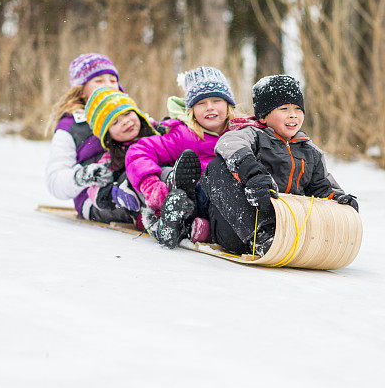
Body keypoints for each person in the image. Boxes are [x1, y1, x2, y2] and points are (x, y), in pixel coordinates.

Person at [200, 74, 358, 256]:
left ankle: (273, 236)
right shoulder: (253, 135)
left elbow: (322, 186)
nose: (293, 115)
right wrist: (253, 175)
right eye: (284, 109)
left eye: (298, 109)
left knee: (327, 197)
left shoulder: (311, 152)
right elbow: (228, 144)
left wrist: (339, 201)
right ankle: (259, 235)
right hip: (238, 229)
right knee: (218, 167)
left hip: (286, 230)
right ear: (264, 117)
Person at [126, 66, 256, 247]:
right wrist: (150, 185)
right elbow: (138, 152)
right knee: (202, 179)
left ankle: (194, 228)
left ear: (228, 104)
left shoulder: (246, 132)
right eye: (201, 103)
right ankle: (181, 211)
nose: (209, 107)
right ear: (192, 110)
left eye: (217, 100)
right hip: (200, 197)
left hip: (235, 202)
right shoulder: (183, 135)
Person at [44, 53, 126, 222]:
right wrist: (81, 176)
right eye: (99, 81)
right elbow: (55, 180)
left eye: (112, 80)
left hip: (131, 182)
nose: (108, 86)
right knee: (132, 205)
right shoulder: (71, 127)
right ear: (81, 91)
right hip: (95, 199)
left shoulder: (129, 117)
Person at [81, 87, 160, 223]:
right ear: (108, 135)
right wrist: (113, 193)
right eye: (115, 122)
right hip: (144, 203)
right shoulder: (110, 160)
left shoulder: (160, 133)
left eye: (127, 113)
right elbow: (94, 192)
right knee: (130, 174)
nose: (125, 121)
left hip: (168, 186)